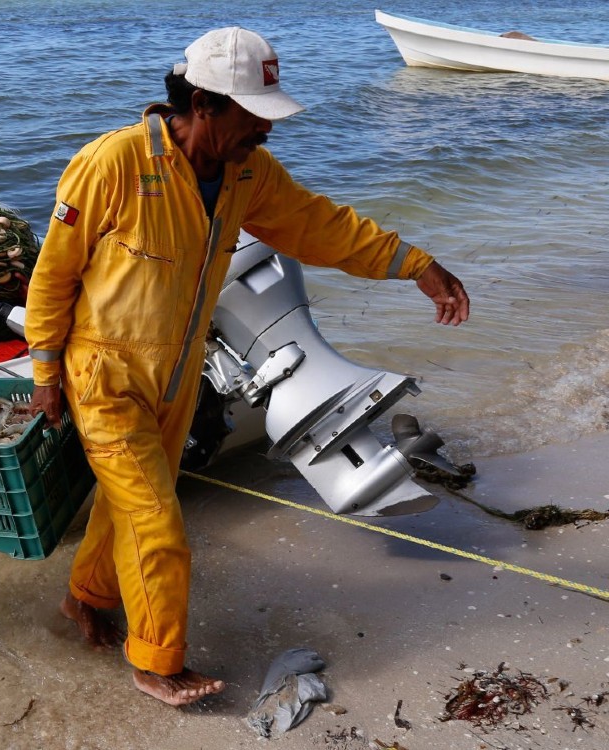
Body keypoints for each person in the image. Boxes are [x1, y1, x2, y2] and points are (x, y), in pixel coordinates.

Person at [24, 27, 470, 706]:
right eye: (251, 113)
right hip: (105, 376)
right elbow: (53, 275)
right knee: (159, 525)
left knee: (129, 507)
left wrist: (414, 264)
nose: (264, 127)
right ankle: (155, 662)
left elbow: (319, 224)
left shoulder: (245, 172)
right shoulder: (113, 163)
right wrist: (45, 373)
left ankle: (85, 599)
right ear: (202, 103)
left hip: (177, 378)